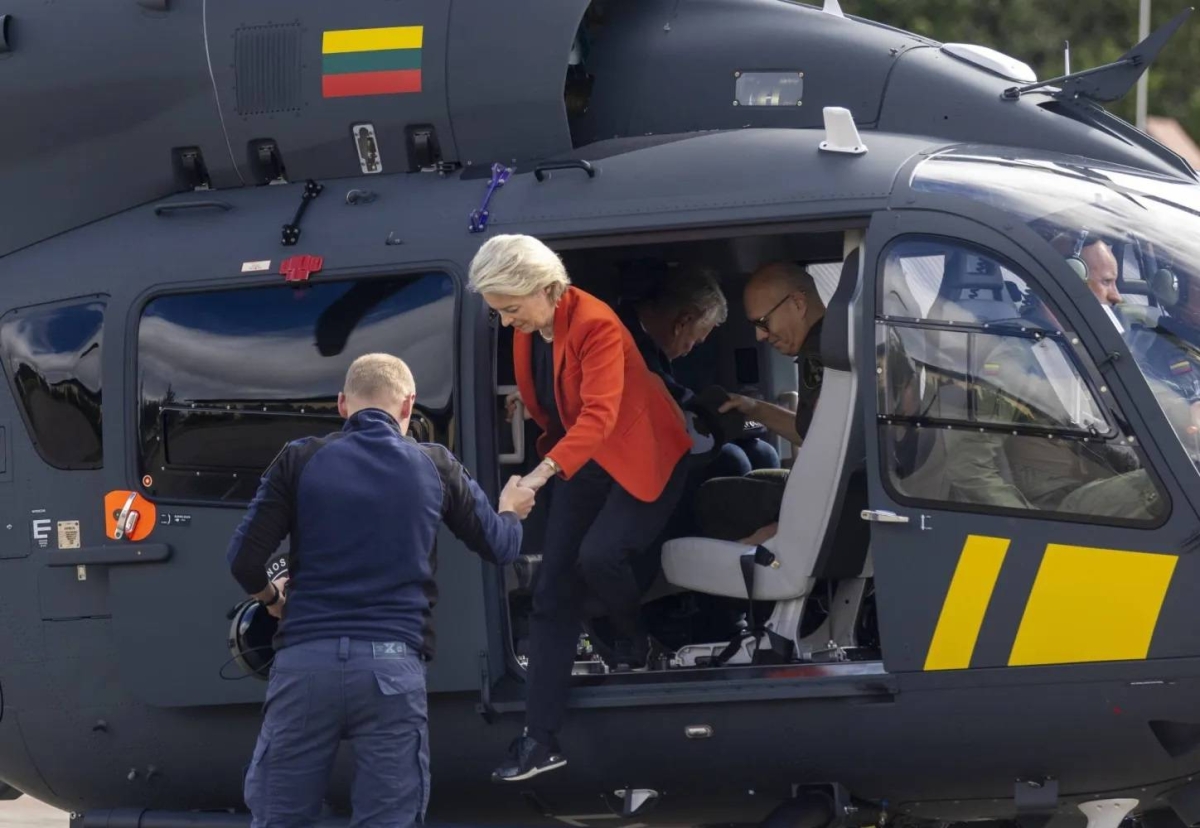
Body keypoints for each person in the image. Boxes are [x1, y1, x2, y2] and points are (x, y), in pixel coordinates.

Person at [227, 353, 536, 828]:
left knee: (280, 817)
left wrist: (274, 599)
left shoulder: (300, 458)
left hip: (305, 666)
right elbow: (500, 546)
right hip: (391, 670)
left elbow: (243, 560)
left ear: (342, 405)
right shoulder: (436, 465)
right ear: (408, 405)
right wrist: (511, 509)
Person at [468, 234, 692, 783]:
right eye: (499, 312)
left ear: (546, 289)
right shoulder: (530, 327)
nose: (506, 322)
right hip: (584, 455)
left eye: (511, 309)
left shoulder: (596, 323)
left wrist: (540, 475)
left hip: (640, 448)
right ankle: (540, 739)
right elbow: (566, 401)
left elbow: (600, 416)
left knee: (600, 555)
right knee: (552, 592)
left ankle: (634, 639)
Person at [693, 261, 828, 544]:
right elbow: (817, 434)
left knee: (714, 495)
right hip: (838, 491)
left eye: (763, 322)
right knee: (758, 472)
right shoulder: (831, 342)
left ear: (798, 303)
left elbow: (836, 453)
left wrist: (786, 526)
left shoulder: (822, 357)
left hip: (837, 499)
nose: (760, 335)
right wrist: (753, 409)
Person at [616, 266, 780, 479]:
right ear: (683, 322)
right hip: (626, 459)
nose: (687, 352)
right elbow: (675, 411)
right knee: (731, 460)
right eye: (694, 342)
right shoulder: (623, 342)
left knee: (760, 452)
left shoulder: (640, 339)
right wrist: (732, 417)